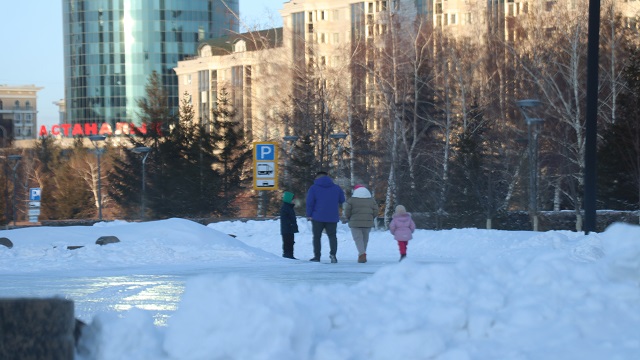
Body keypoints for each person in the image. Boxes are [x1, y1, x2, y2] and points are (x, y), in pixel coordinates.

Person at [306, 171, 346, 263]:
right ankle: (333, 254)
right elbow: (342, 200)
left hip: (317, 217)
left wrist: (309, 214)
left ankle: (317, 256)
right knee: (332, 236)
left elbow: (310, 203)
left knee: (316, 237)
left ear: (317, 178)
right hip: (332, 217)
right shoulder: (336, 188)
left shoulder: (313, 188)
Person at [343, 184, 378, 263]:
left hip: (355, 223)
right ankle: (362, 254)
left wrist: (349, 218)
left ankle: (362, 254)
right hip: (367, 222)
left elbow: (347, 211)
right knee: (365, 239)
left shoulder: (352, 200)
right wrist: (371, 218)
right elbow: (376, 211)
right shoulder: (371, 200)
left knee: (358, 239)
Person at [280, 191, 299, 259]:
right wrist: (291, 224)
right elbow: (287, 219)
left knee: (291, 242)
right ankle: (287, 255)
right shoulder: (286, 208)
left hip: (289, 228)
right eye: (293, 200)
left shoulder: (289, 207)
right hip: (287, 229)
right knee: (287, 242)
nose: (294, 201)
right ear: (289, 200)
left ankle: (290, 255)